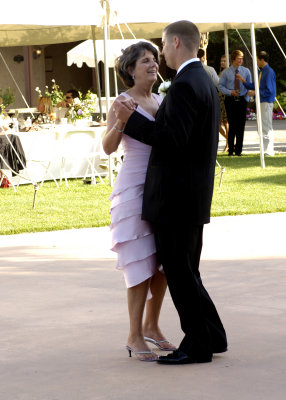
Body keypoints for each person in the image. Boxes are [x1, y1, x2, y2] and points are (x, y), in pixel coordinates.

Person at [113, 20, 227, 365]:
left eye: (162, 46)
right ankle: (211, 335)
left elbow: (170, 140)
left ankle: (198, 345)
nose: (160, 54)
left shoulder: (183, 85)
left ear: (176, 42)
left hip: (176, 199)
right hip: (191, 195)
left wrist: (130, 121)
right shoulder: (203, 80)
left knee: (179, 273)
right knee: (187, 271)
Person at [102, 41, 176, 362]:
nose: (152, 65)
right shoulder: (122, 101)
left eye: (154, 60)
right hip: (134, 188)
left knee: (162, 263)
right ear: (130, 70)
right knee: (139, 261)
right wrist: (120, 120)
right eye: (145, 61)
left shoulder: (161, 100)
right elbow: (107, 147)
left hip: (162, 190)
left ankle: (152, 327)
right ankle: (134, 334)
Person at [237, 51, 276, 156]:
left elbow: (270, 91)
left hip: (266, 102)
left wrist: (255, 92)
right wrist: (243, 81)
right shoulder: (262, 72)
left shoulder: (269, 72)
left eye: (257, 60)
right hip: (261, 102)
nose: (256, 62)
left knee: (266, 126)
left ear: (262, 60)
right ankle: (264, 150)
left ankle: (269, 151)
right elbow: (255, 85)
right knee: (261, 126)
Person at [218, 50, 252, 156]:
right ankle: (231, 150)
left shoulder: (246, 71)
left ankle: (239, 150)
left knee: (241, 125)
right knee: (232, 124)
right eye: (239, 58)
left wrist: (246, 98)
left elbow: (250, 85)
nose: (241, 60)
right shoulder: (226, 72)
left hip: (242, 100)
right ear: (233, 59)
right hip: (230, 100)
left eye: (242, 58)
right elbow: (220, 86)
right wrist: (230, 92)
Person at [218, 55, 229, 152]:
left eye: (224, 61)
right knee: (218, 123)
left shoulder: (229, 74)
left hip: (225, 99)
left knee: (226, 122)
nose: (222, 63)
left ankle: (227, 144)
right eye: (221, 61)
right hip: (218, 99)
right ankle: (228, 139)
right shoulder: (221, 73)